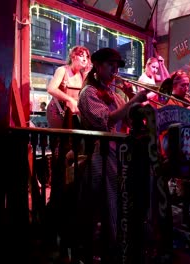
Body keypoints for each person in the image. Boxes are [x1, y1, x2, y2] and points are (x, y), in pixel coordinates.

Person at [76, 47, 148, 261]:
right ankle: (113, 245)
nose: (115, 69)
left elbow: (128, 120)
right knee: (112, 201)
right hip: (101, 153)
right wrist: (133, 101)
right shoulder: (88, 92)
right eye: (110, 64)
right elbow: (106, 121)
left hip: (116, 154)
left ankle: (121, 240)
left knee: (125, 197)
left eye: (117, 65)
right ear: (97, 66)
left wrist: (129, 96)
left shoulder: (113, 93)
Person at [46, 45, 90, 129]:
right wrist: (69, 99)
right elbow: (51, 89)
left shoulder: (82, 75)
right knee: (59, 139)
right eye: (81, 56)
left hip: (73, 113)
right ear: (73, 57)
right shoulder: (62, 70)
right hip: (58, 110)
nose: (85, 59)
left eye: (87, 57)